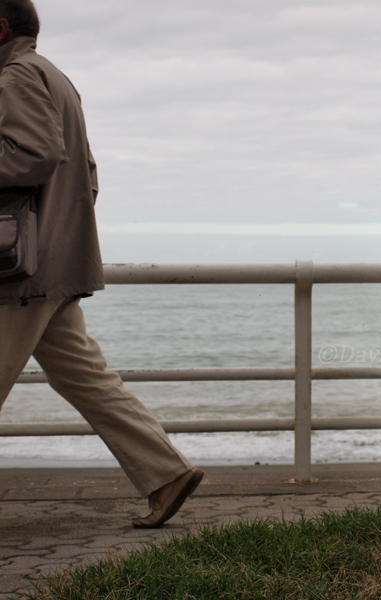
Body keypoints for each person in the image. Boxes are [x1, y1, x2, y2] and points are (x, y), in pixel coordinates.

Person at [0, 0, 203, 528]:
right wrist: (62, 241)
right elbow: (86, 174)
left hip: (21, 273)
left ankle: (167, 471)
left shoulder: (16, 76)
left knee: (86, 378)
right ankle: (167, 472)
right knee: (87, 379)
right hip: (52, 267)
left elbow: (34, 154)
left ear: (0, 28)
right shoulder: (56, 78)